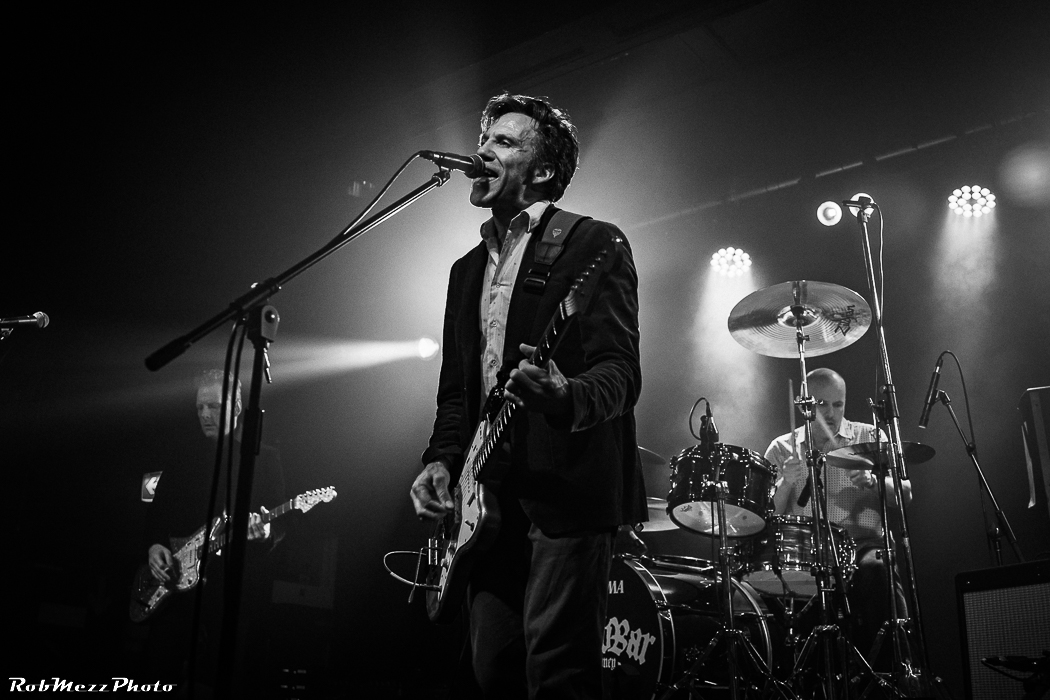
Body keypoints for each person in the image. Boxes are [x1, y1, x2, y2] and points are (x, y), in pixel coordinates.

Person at [409, 93, 646, 699]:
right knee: (493, 671)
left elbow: (621, 374)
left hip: (566, 492)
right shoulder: (465, 270)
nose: (482, 151)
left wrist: (564, 395)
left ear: (542, 171)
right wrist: (441, 460)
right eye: (483, 140)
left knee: (558, 674)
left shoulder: (592, 243)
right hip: (487, 497)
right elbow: (457, 392)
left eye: (504, 142)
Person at [140, 369, 285, 696]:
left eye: (214, 407)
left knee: (218, 678)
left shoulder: (262, 459)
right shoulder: (181, 457)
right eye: (200, 407)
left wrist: (266, 533)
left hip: (227, 592)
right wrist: (153, 547)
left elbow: (281, 525)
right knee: (157, 672)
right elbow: (156, 513)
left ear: (236, 407)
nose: (205, 414)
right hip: (174, 587)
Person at [763, 367, 912, 672]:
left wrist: (874, 482)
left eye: (838, 404)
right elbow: (767, 516)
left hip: (863, 546)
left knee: (878, 569)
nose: (830, 414)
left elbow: (905, 494)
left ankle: (897, 671)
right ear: (804, 405)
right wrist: (785, 482)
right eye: (821, 404)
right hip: (807, 554)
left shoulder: (870, 437)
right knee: (769, 591)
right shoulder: (781, 447)